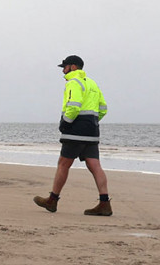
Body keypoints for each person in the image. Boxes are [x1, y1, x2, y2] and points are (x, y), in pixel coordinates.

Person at [34, 55, 112, 216]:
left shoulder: (73, 82)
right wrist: (92, 122)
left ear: (73, 67)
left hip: (75, 130)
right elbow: (103, 108)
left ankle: (52, 200)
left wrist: (65, 123)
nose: (63, 70)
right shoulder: (92, 83)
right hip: (92, 130)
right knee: (95, 166)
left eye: (65, 67)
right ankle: (105, 203)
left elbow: (74, 106)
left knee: (63, 164)